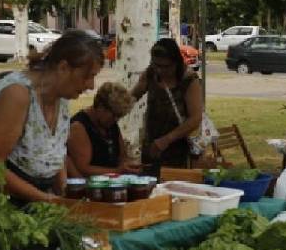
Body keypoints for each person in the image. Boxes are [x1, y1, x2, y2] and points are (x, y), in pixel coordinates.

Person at [0, 30, 103, 204]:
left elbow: (54, 155)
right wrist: (46, 199)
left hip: (30, 198)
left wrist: (65, 196)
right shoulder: (17, 95)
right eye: (88, 77)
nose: (91, 85)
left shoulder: (61, 97)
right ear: (63, 68)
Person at [131, 38, 202, 172]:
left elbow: (195, 118)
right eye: (156, 65)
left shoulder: (188, 80)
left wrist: (167, 140)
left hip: (178, 149)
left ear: (176, 63)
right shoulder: (151, 73)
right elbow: (132, 97)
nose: (160, 70)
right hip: (152, 146)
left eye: (165, 66)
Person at [66, 83, 138, 177]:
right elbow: (83, 169)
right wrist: (117, 171)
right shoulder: (79, 127)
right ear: (101, 107)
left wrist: (128, 166)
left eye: (119, 116)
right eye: (114, 115)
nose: (116, 120)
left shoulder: (110, 124)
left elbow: (122, 156)